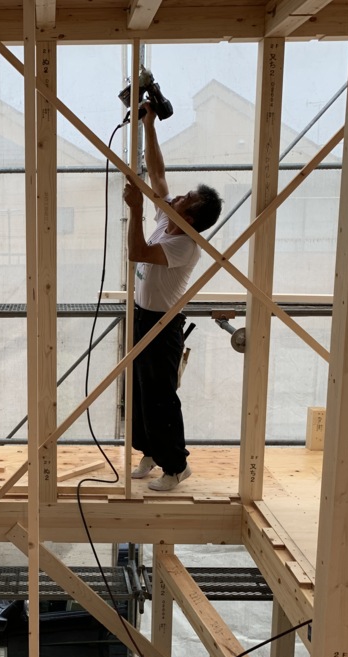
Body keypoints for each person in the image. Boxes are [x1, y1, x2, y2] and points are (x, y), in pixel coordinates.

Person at [122, 105, 223, 491]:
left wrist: (135, 210)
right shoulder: (170, 217)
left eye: (184, 200)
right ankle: (150, 451)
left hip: (162, 325)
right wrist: (149, 125)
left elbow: (137, 252)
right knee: (138, 389)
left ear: (190, 219)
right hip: (142, 315)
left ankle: (176, 467)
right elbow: (158, 173)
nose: (175, 197)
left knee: (160, 396)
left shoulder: (186, 246)